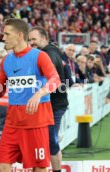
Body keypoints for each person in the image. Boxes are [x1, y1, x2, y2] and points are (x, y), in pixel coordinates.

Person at [0, 18, 61, 172]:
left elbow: (55, 79)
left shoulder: (40, 56)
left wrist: (39, 93)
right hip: (13, 122)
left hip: (37, 121)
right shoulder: (6, 61)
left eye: (7, 34)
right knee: (1, 167)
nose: (3, 38)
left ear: (20, 35)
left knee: (39, 168)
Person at [28, 27, 69, 172]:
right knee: (47, 141)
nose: (31, 43)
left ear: (44, 38)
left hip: (54, 105)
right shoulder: (50, 51)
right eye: (29, 40)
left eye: (34, 39)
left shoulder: (48, 53)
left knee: (50, 142)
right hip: (50, 104)